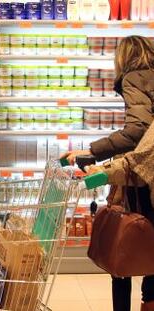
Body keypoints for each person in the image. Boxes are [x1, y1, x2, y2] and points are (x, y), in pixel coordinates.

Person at [62, 35, 154, 311]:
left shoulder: (133, 78)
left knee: (123, 240)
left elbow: (138, 131)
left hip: (140, 175)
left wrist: (92, 152)